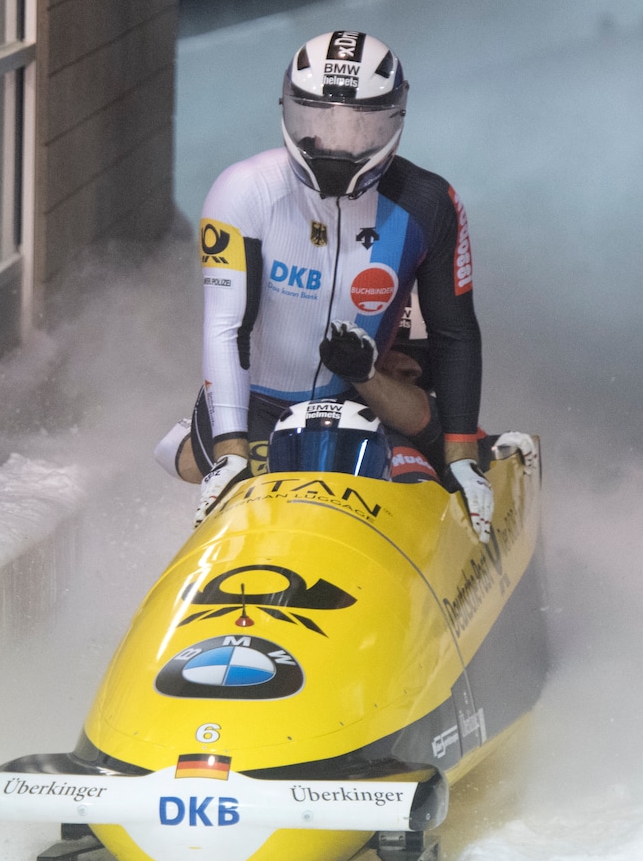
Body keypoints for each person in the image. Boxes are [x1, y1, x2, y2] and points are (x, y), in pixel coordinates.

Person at [157, 31, 495, 539]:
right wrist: (230, 453)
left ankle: (471, 455)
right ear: (289, 112)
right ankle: (194, 445)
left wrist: (462, 454)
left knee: (431, 462)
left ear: (393, 121)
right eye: (317, 121)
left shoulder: (431, 204)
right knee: (212, 469)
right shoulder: (242, 191)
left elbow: (455, 333)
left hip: (360, 400)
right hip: (259, 408)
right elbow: (227, 325)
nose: (336, 144)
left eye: (358, 127)